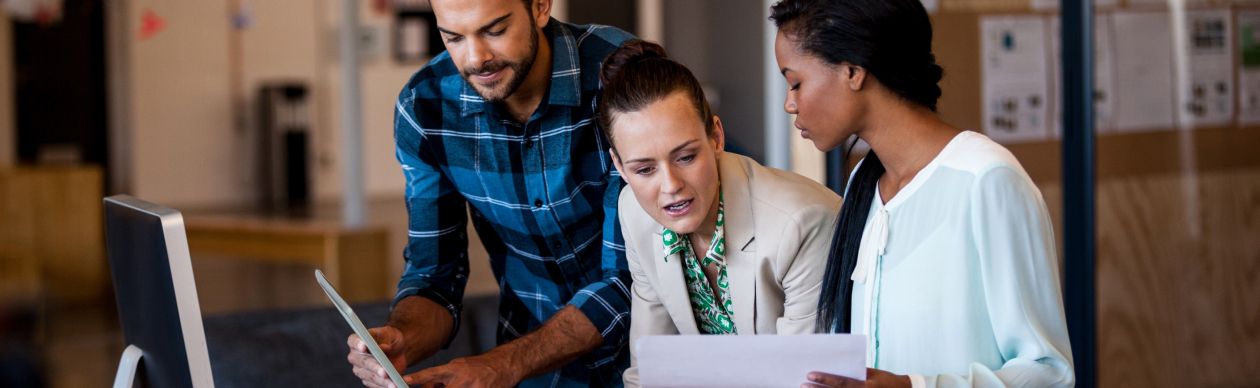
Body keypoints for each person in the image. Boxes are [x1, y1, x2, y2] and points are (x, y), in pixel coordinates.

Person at [769, 0, 1075, 387]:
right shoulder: (865, 181)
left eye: (795, 82)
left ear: (852, 71)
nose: (789, 103)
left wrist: (914, 385)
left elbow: (1050, 373)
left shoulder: (986, 179)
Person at [344, 0, 636, 386]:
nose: (476, 58)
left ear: (540, 7)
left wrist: (501, 365)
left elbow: (630, 278)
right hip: (536, 372)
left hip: (650, 359)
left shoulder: (620, 74)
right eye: (453, 38)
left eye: (495, 30)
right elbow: (434, 276)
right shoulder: (426, 108)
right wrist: (404, 338)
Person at [595, 40, 842, 387]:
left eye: (685, 157)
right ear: (619, 166)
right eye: (644, 169)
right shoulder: (634, 211)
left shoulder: (802, 223)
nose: (670, 186)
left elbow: (807, 381)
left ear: (716, 136)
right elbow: (651, 372)